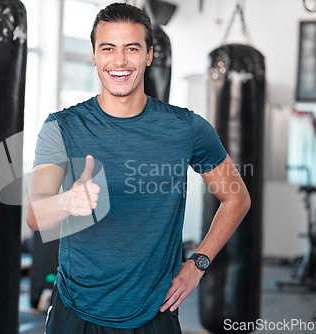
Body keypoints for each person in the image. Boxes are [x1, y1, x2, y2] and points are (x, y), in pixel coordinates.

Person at [26, 2, 251, 333]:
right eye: (108, 49)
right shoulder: (61, 127)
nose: (119, 61)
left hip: (154, 314)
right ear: (93, 55)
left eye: (131, 48)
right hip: (76, 312)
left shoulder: (187, 128)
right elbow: (34, 216)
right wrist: (66, 202)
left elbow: (237, 198)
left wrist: (198, 264)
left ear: (148, 55)